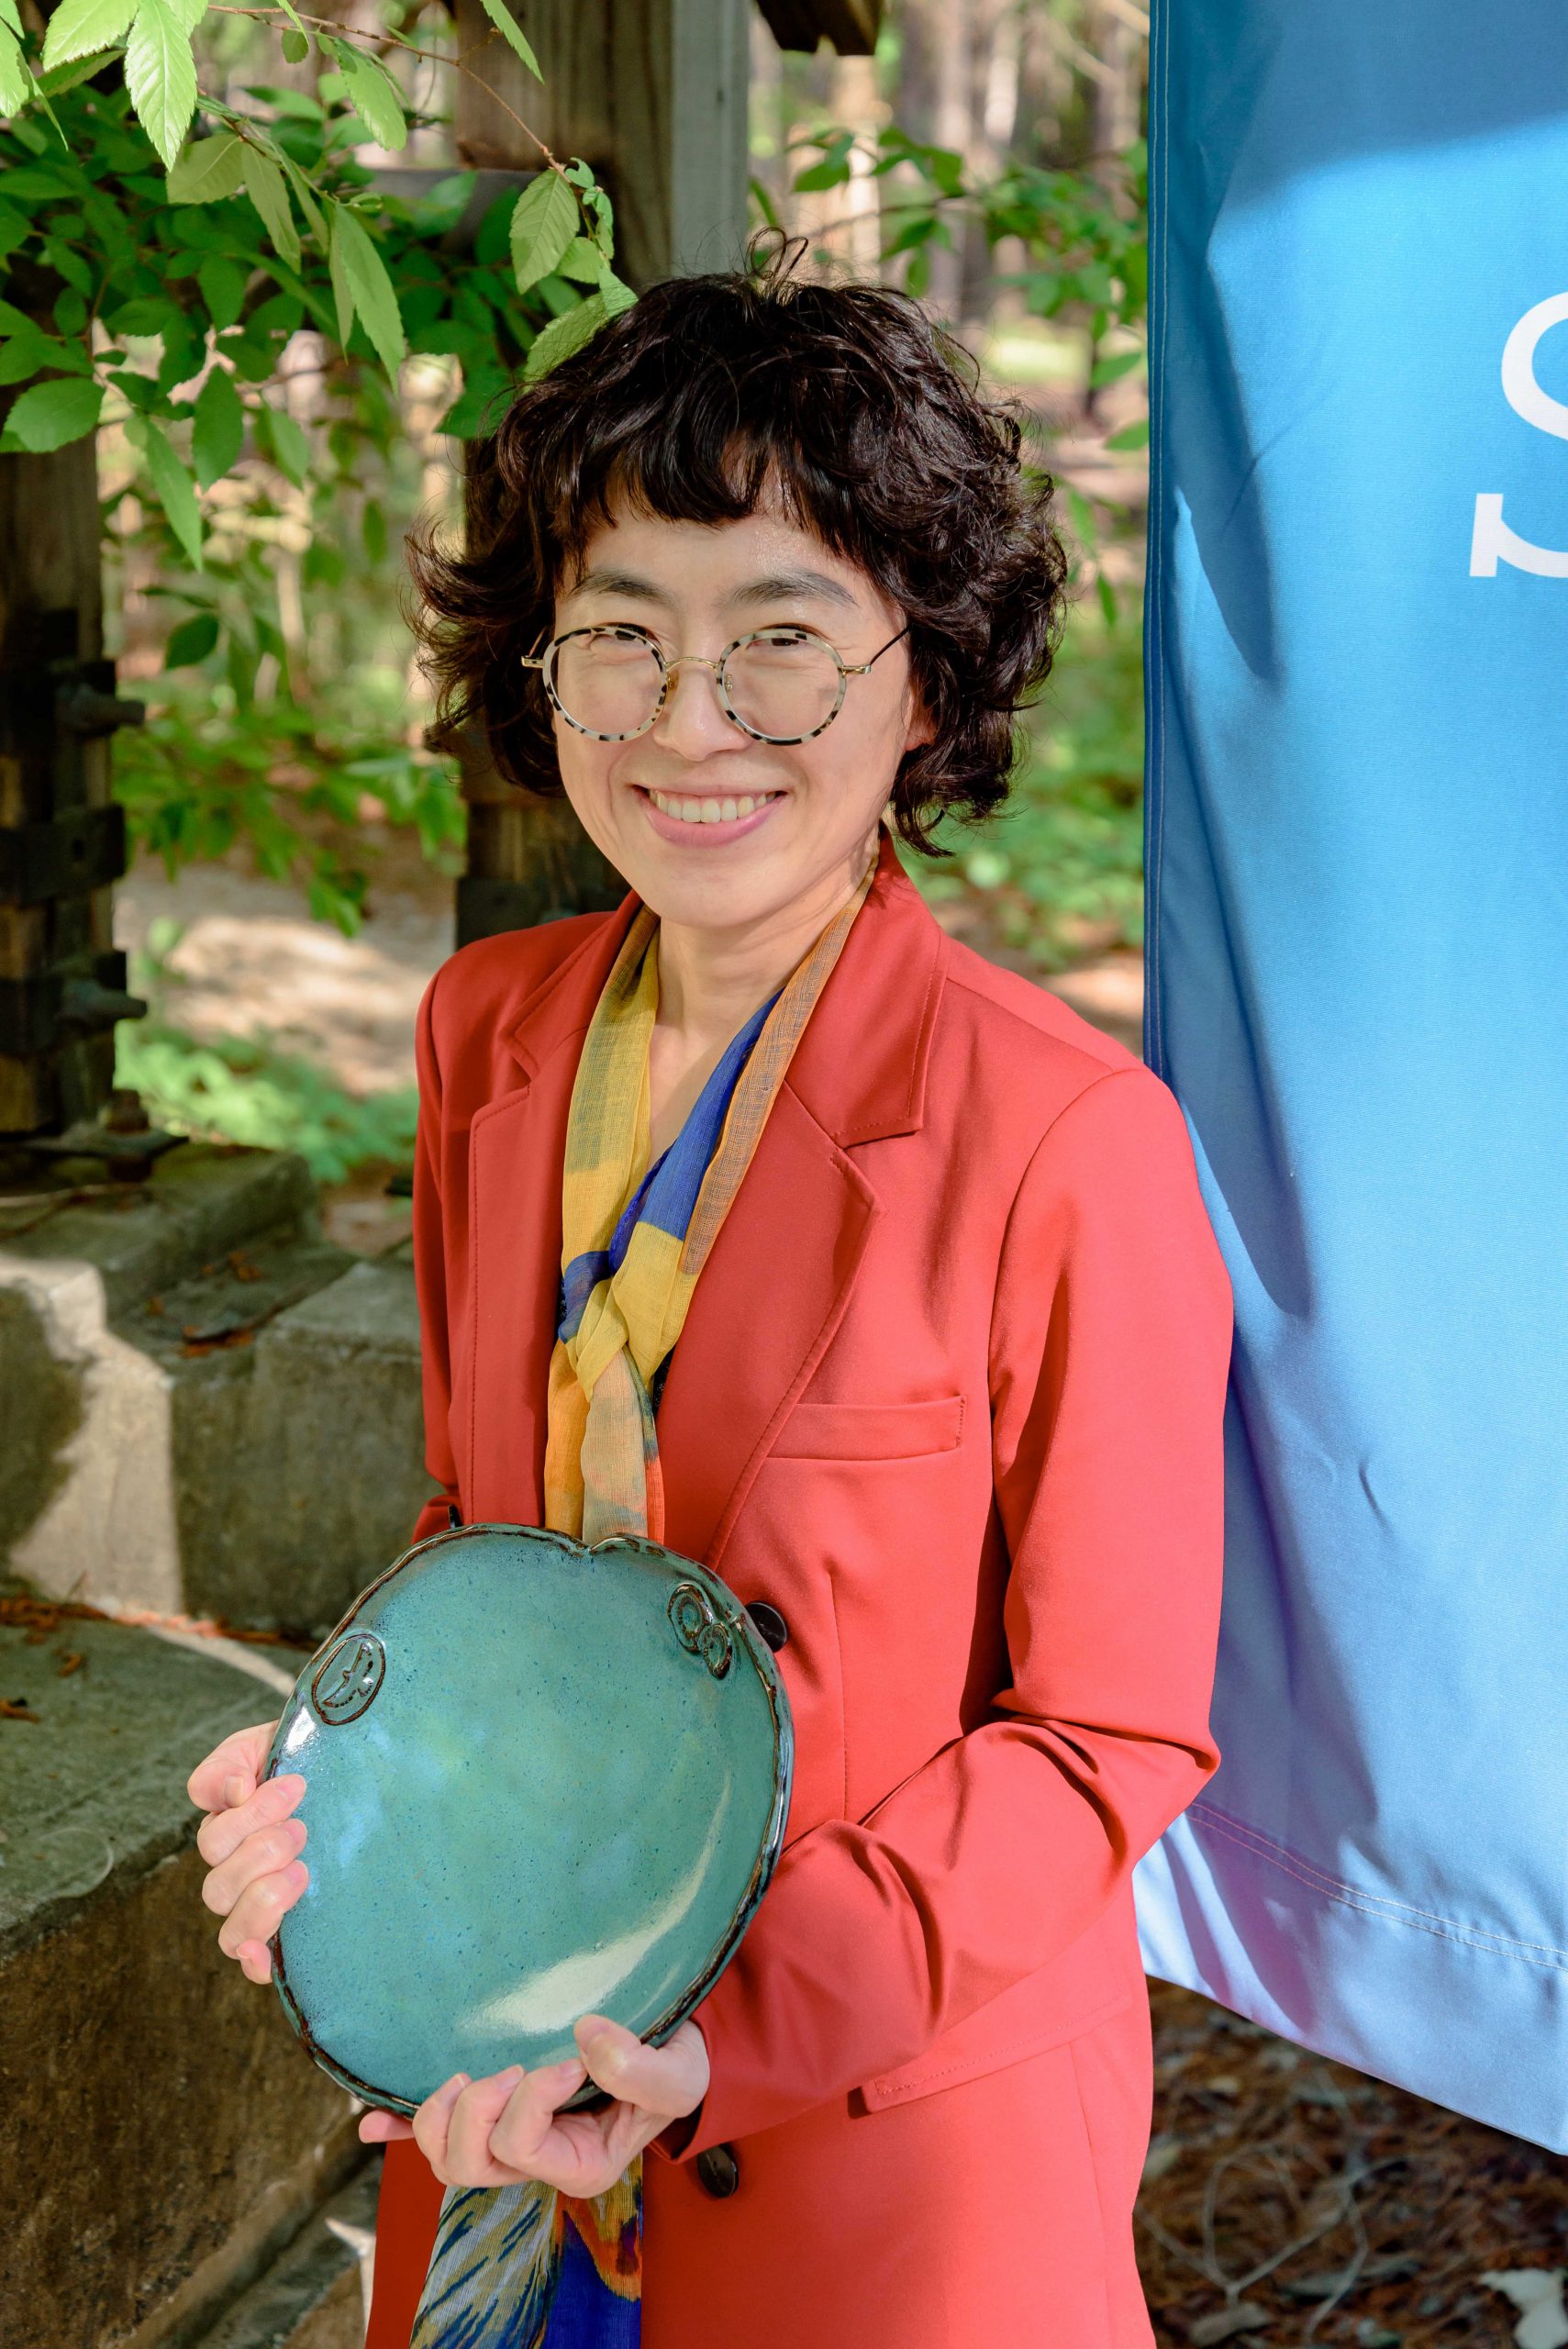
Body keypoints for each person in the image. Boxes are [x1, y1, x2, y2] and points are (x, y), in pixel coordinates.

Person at [186, 239, 1231, 2349]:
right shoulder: (488, 1031)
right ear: (538, 665)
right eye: (620, 638)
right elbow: (474, 1547)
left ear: (923, 675)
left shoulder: (1068, 1135)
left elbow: (1104, 1732)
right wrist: (342, 1813)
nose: (690, 721)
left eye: (783, 638)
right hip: (499, 2126)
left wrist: (708, 2016)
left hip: (875, 2172)